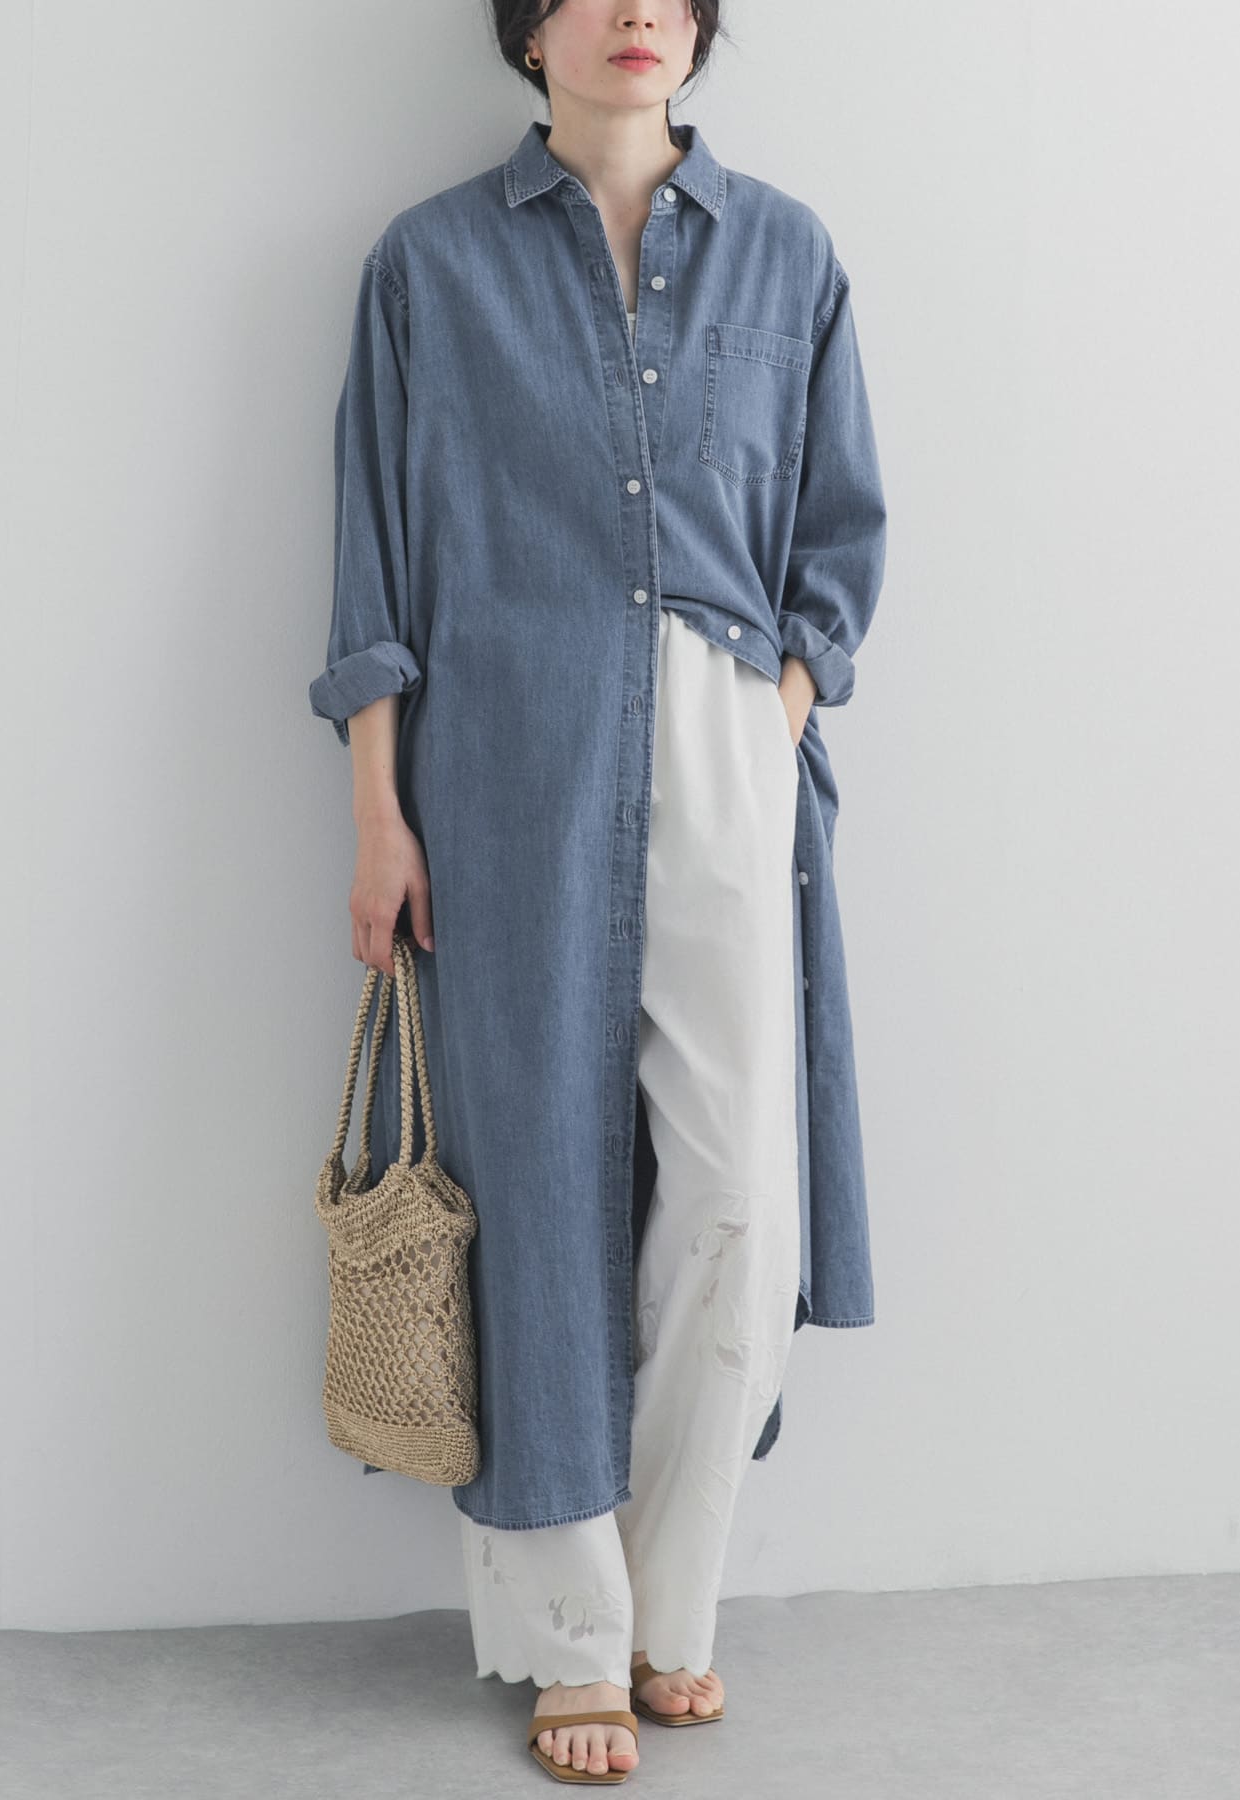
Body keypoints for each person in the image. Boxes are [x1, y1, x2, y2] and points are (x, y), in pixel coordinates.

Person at [309, 0, 887, 1784]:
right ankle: (572, 1639)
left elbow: (840, 535)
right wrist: (379, 812)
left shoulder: (788, 253)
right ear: (528, 29)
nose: (639, 11)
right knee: (539, 1183)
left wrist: (773, 716)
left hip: (727, 745)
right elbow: (374, 548)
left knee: (740, 1198)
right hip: (510, 764)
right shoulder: (429, 264)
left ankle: (672, 1607)